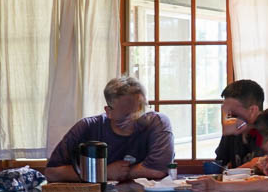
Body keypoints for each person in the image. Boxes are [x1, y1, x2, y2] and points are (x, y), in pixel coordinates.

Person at [44, 76, 174, 183]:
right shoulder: (88, 127)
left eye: (141, 111)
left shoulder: (158, 122)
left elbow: (158, 170)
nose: (135, 118)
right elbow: (52, 173)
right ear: (108, 111)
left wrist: (121, 172)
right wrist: (103, 172)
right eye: (127, 114)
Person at [213, 79, 266, 171]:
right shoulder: (232, 131)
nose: (228, 116)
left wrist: (232, 172)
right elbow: (219, 164)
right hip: (235, 184)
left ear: (252, 110)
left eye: (233, 111)